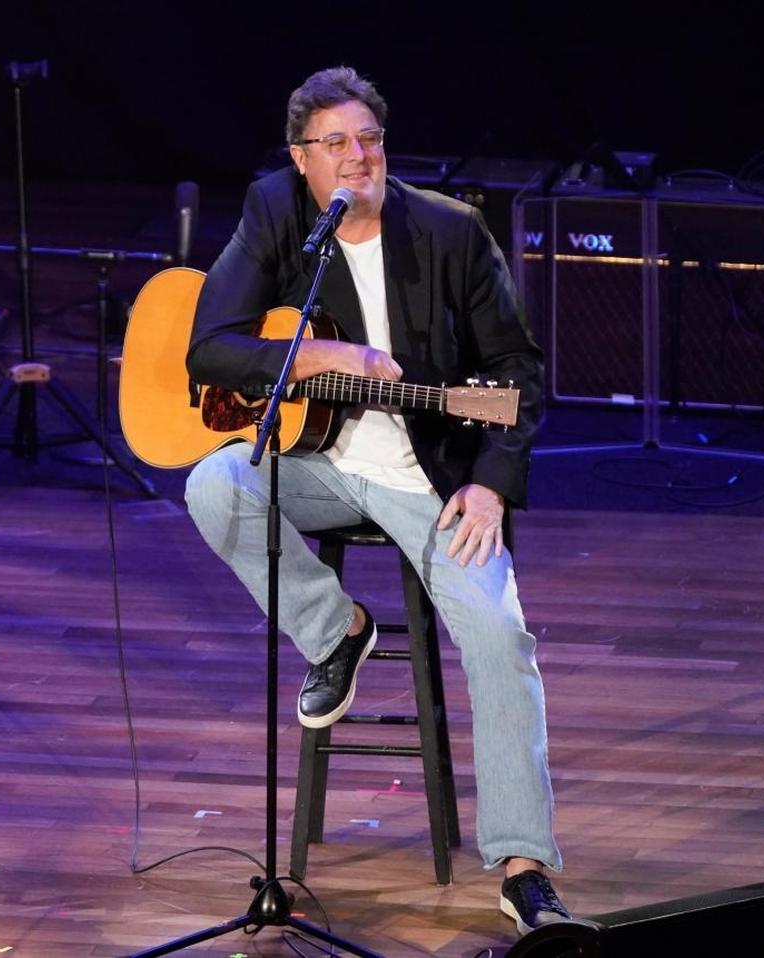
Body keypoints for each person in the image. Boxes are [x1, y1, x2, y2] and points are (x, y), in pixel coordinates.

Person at [182, 66, 570, 934]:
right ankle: (337, 632)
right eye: (336, 144)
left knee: (500, 635)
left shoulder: (452, 233)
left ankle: (524, 865)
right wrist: (333, 361)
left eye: (370, 140)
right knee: (213, 482)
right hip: (314, 462)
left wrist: (489, 484)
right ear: (301, 159)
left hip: (429, 480)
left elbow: (518, 373)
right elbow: (209, 352)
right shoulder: (276, 212)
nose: (358, 158)